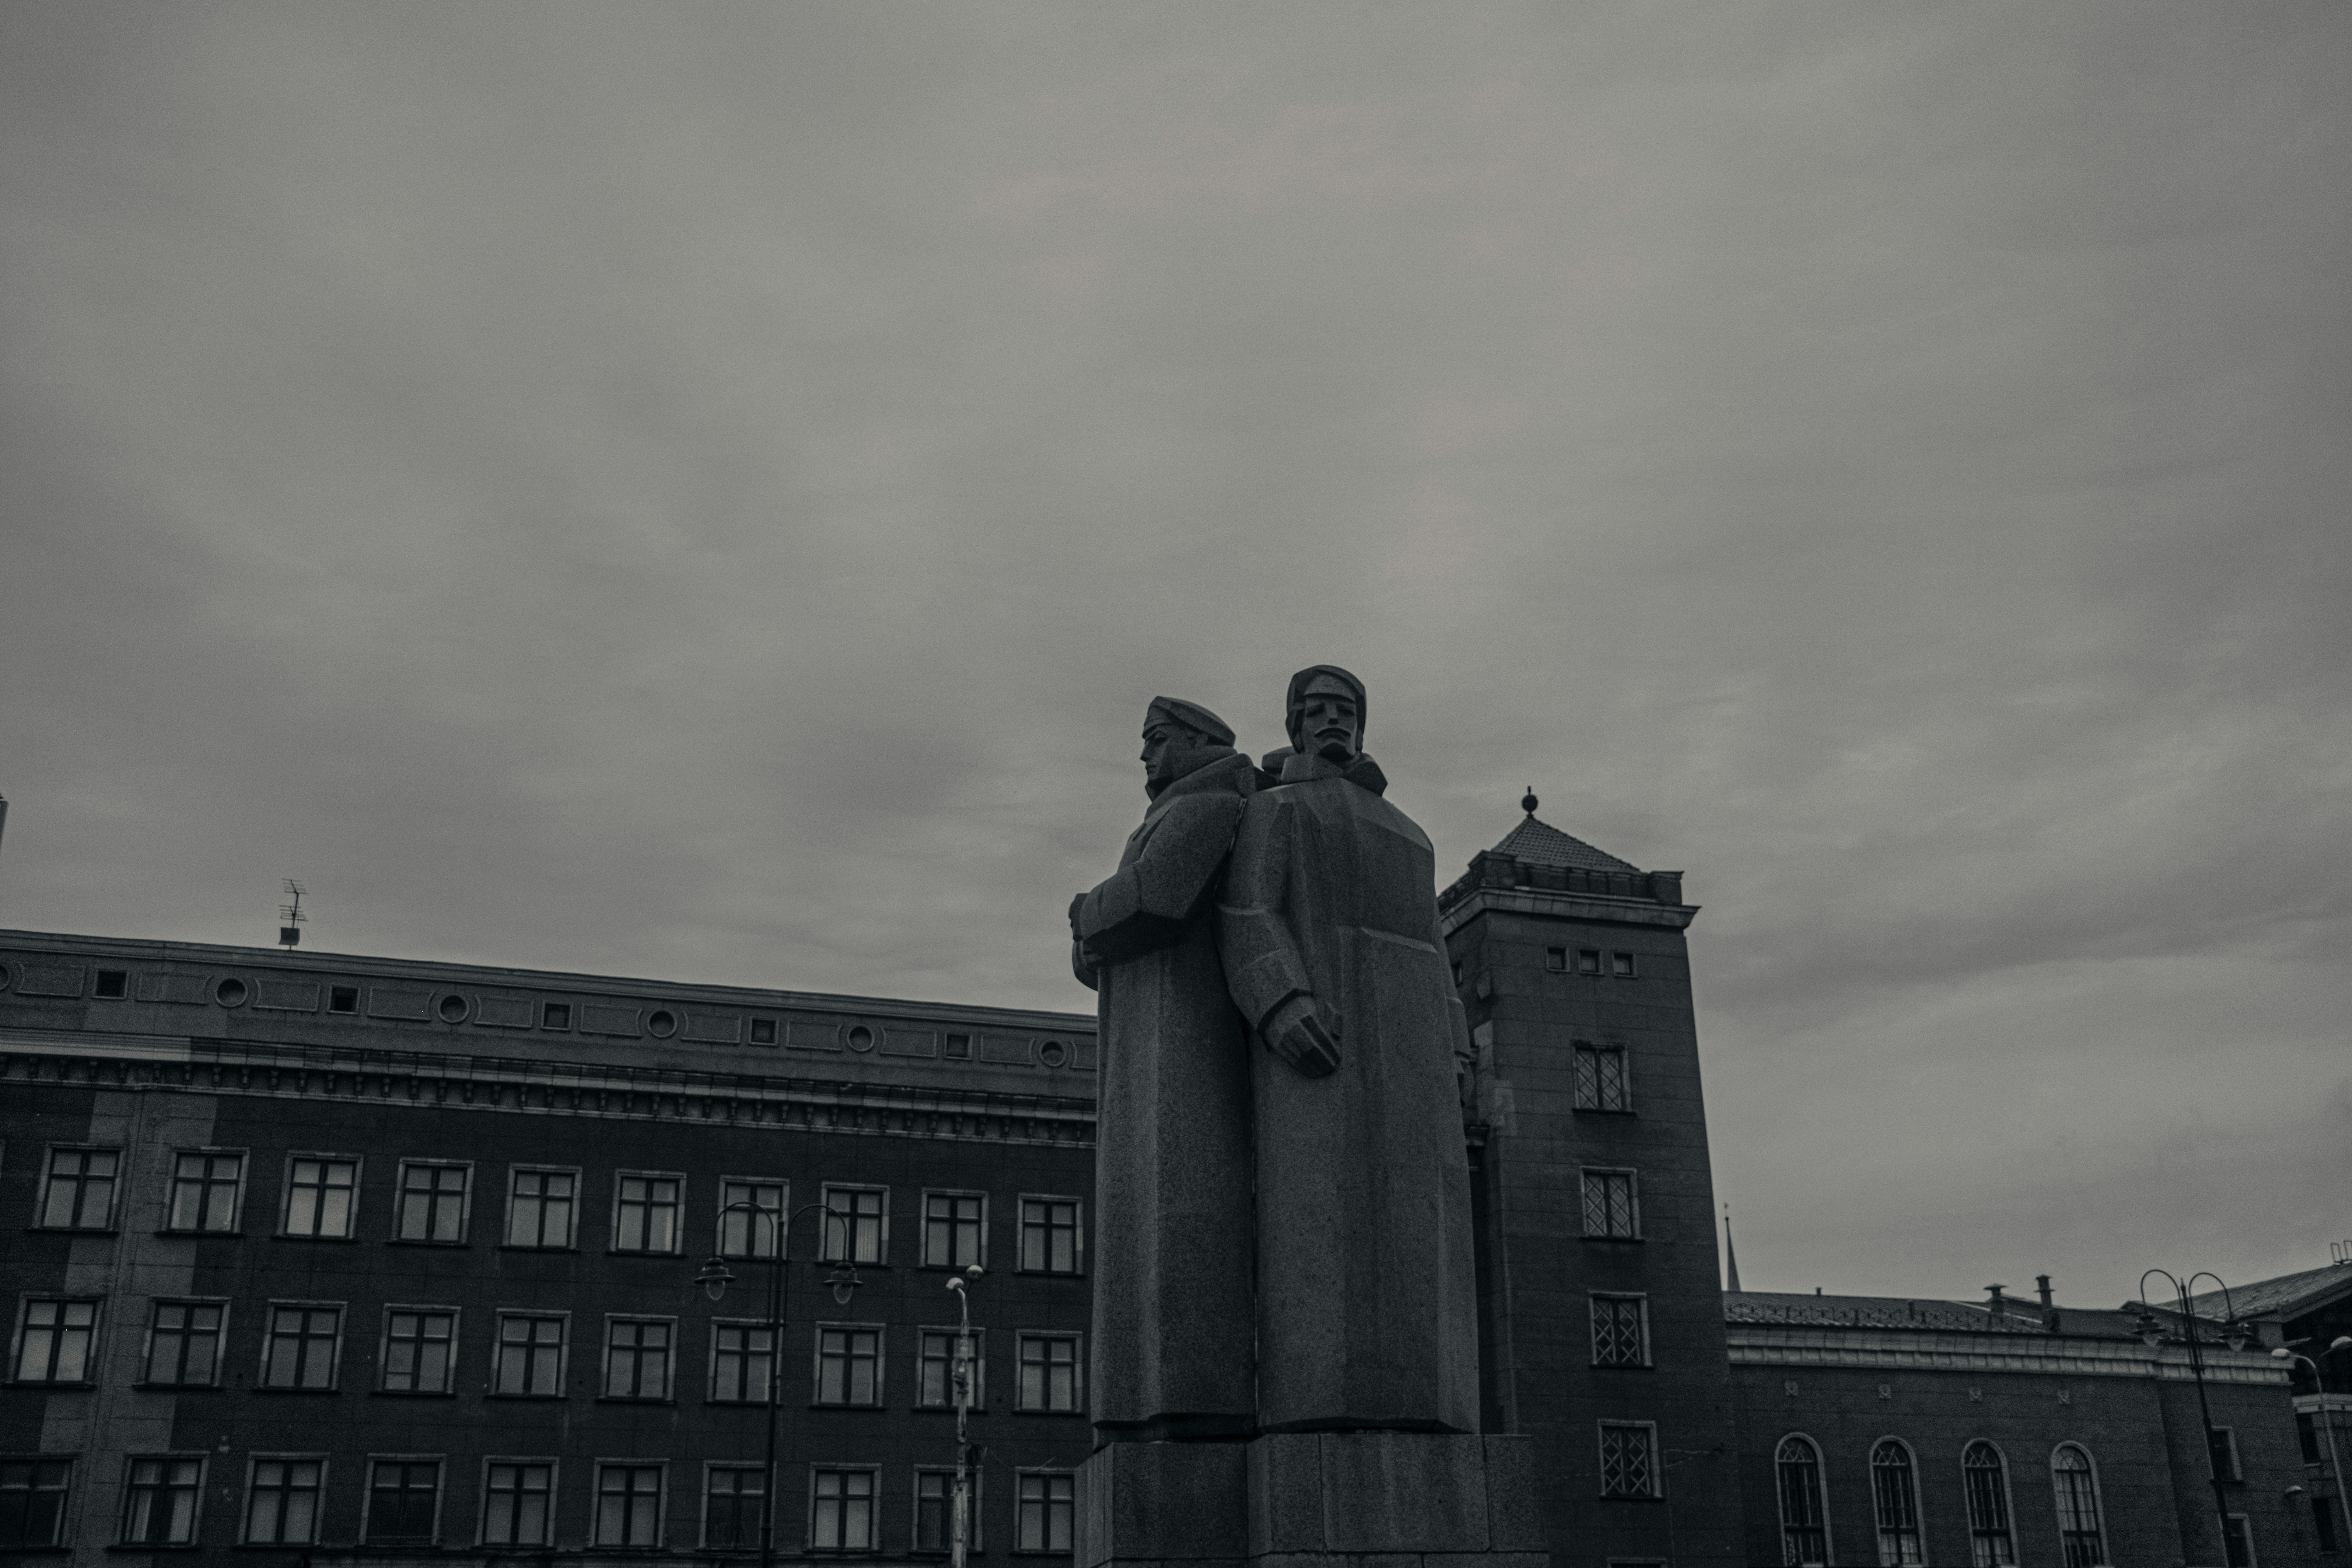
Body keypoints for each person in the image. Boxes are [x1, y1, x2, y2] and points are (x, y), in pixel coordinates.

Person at [1216, 665, 1479, 1434]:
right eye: (1316, 710)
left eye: (1345, 710)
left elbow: (1436, 950)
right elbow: (1248, 910)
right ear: (1296, 726)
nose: (1332, 721)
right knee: (1323, 1223)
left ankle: (1434, 1404)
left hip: (1416, 1055)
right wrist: (1282, 1001)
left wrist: (1458, 1049)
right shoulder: (1279, 809)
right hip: (1323, 1042)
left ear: (1362, 725)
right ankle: (1318, 1403)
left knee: (1422, 1233)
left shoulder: (1412, 832)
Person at [1069, 696, 1257, 1442]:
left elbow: (1157, 897)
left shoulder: (1209, 806)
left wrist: (1085, 907)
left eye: (1156, 740)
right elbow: (1095, 956)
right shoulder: (1163, 817)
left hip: (1184, 1045)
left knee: (1179, 1214)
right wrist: (1097, 925)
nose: (1144, 756)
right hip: (1145, 1047)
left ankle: (1187, 1402)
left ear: (1200, 741)